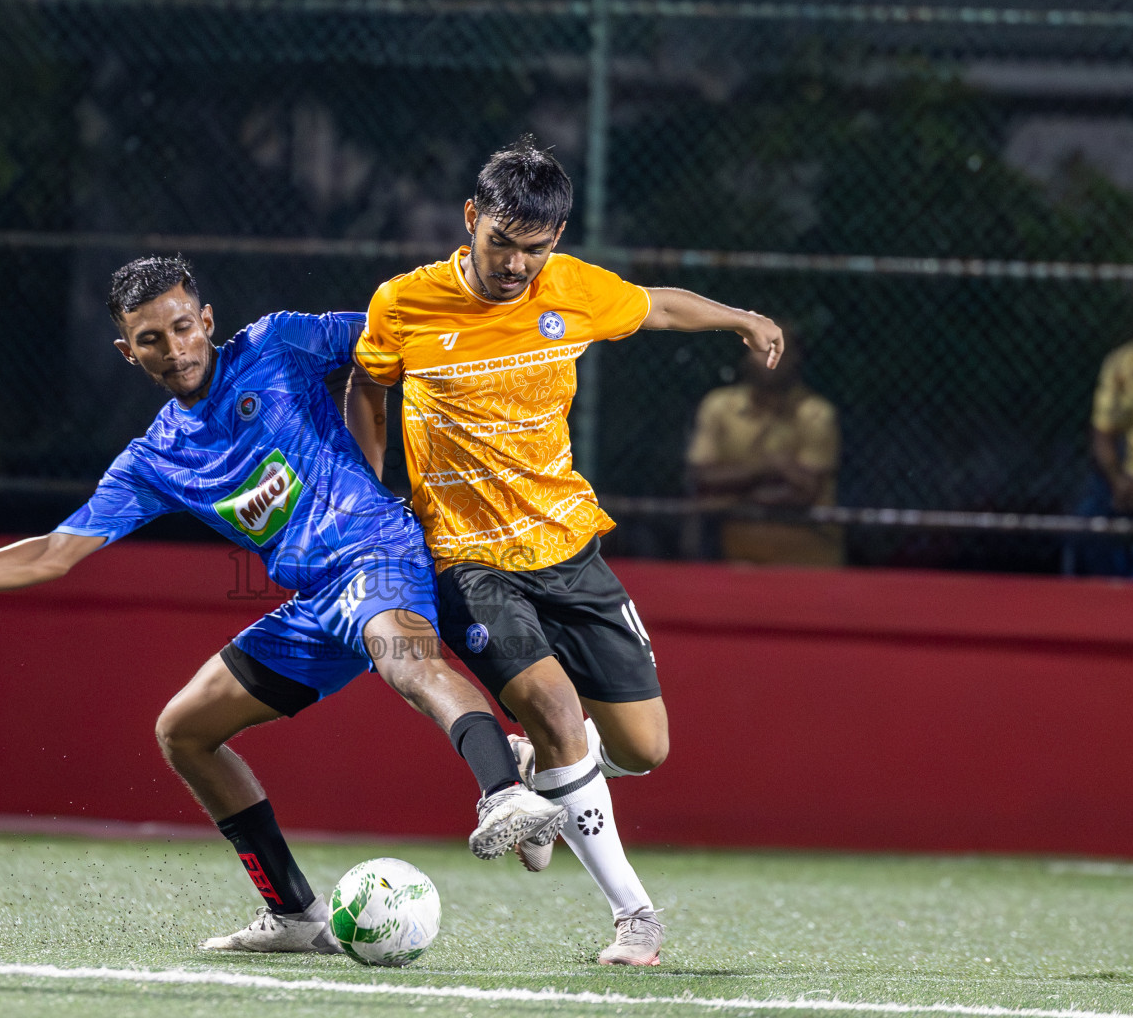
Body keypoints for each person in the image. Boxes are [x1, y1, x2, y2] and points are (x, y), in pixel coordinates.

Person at [0, 256, 564, 954]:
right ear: (127, 351)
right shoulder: (155, 459)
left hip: (379, 552)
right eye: (152, 339)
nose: (174, 348)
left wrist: (497, 331)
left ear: (208, 320)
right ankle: (294, 913)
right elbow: (53, 552)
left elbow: (394, 333)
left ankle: (501, 790)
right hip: (316, 599)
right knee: (184, 730)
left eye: (184, 327)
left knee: (405, 659)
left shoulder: (279, 343)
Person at [353, 135, 783, 967]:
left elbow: (654, 305)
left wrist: (739, 316)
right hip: (468, 556)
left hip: (567, 545)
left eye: (535, 249)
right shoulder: (406, 302)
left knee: (643, 750)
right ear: (471, 219)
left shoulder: (574, 290)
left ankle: (546, 768)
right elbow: (368, 385)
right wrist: (376, 492)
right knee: (557, 708)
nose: (516, 265)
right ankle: (635, 916)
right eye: (502, 243)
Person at [686, 333, 842, 567]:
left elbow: (806, 491)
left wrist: (730, 498)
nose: (770, 357)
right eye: (761, 348)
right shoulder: (719, 406)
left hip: (809, 563)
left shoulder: (815, 413)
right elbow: (702, 478)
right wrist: (771, 467)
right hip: (738, 561)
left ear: (797, 358)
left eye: (780, 349)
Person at [1068, 290, 1133, 578]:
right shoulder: (1121, 363)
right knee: (1087, 524)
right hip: (1128, 476)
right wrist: (1117, 480)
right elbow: (1102, 432)